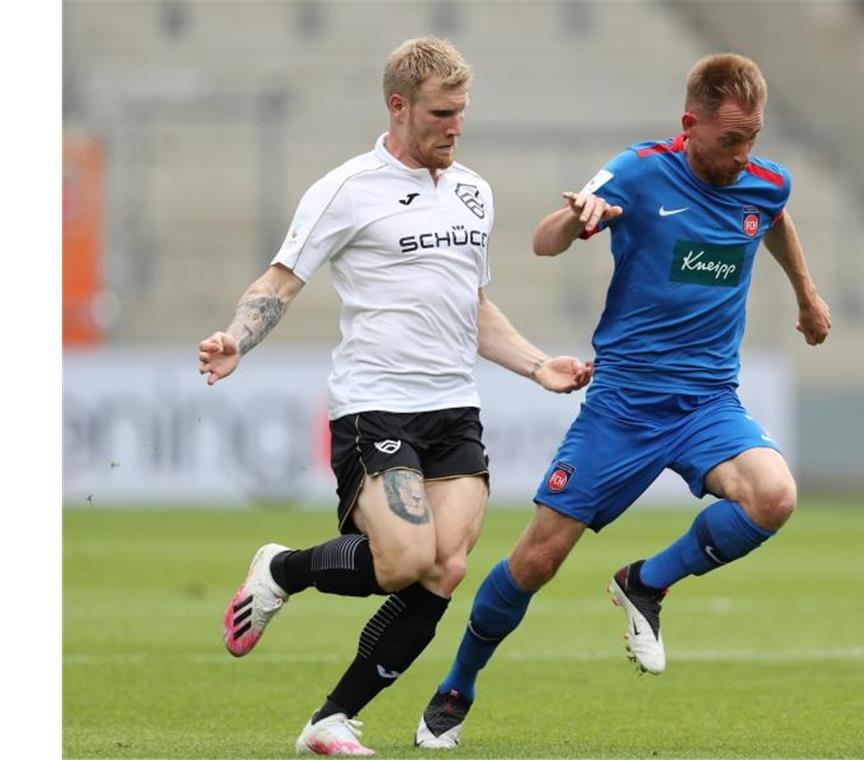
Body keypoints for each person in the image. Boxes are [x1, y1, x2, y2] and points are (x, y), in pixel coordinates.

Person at [413, 52, 831, 749]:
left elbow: (776, 215)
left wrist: (808, 297)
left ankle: (646, 584)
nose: (743, 154)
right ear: (689, 124)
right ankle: (458, 683)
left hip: (706, 405)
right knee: (536, 562)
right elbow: (544, 242)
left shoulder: (762, 181)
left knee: (774, 495)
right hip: (625, 406)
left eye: (753, 138)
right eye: (730, 139)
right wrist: (577, 220)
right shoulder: (638, 172)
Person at [198, 37, 592, 758]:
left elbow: (471, 306)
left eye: (463, 113)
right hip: (373, 408)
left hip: (453, 411)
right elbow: (280, 280)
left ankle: (331, 720)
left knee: (445, 567)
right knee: (405, 559)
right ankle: (283, 569)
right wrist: (235, 338)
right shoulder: (347, 189)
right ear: (399, 106)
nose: (455, 126)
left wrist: (538, 367)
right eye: (442, 113)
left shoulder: (473, 191)